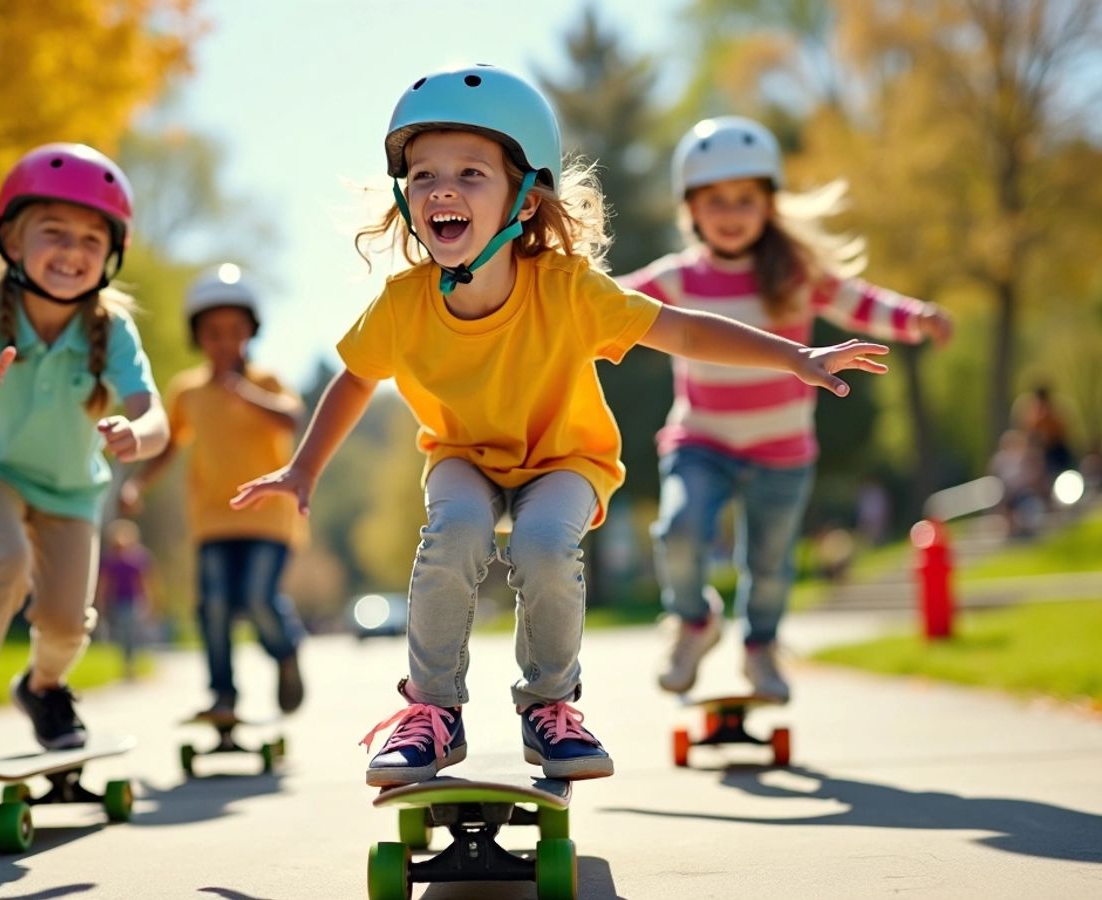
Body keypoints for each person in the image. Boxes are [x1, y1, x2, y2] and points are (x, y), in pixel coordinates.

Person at [230, 66, 889, 787]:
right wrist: (304, 468)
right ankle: (431, 712)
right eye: (422, 176)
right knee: (451, 534)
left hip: (564, 458)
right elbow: (356, 378)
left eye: (471, 173)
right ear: (404, 195)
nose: (441, 190)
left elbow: (685, 333)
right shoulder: (404, 303)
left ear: (523, 195)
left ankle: (550, 706)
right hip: (463, 456)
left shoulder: (569, 289)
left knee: (544, 546)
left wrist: (793, 355)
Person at [621, 116, 953, 701]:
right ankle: (693, 623)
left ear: (770, 203)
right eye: (715, 200)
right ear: (690, 209)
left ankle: (762, 651)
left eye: (745, 199)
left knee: (771, 566)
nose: (730, 212)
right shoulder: (677, 278)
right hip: (701, 441)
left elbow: (860, 300)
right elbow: (602, 304)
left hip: (783, 450)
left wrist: (915, 317)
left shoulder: (795, 274)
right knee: (679, 530)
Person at [0, 143, 168, 763]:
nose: (72, 252)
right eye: (54, 233)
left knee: (66, 621)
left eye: (90, 240)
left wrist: (138, 436)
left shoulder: (112, 329)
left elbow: (151, 413)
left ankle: (43, 687)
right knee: (4, 561)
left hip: (72, 490)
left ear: (110, 256)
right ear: (14, 243)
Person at [120, 264, 306, 718]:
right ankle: (223, 695)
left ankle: (286, 655)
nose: (223, 342)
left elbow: (292, 418)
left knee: (260, 599)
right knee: (215, 607)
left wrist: (244, 394)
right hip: (213, 519)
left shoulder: (265, 382)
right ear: (197, 337)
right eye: (213, 333)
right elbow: (168, 444)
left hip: (269, 518)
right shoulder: (188, 391)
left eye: (234, 332)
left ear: (250, 334)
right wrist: (139, 481)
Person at [96, 518, 154, 680]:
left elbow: (144, 582)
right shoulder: (110, 561)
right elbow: (104, 583)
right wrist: (100, 603)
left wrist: (149, 601)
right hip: (116, 602)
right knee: (122, 635)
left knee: (132, 634)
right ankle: (127, 665)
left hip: (134, 602)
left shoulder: (137, 559)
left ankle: (131, 665)